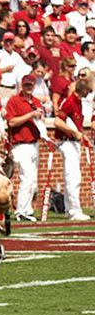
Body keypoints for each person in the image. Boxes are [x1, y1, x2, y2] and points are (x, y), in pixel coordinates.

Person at [5, 74, 46, 221]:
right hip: (20, 144)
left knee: (33, 180)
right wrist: (31, 115)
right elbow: (11, 122)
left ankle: (27, 210)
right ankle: (21, 211)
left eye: (31, 85)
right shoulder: (14, 101)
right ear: (22, 85)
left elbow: (40, 121)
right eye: (26, 85)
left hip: (34, 143)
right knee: (27, 177)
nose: (28, 87)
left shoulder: (36, 101)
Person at [53, 72, 92, 221]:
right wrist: (74, 132)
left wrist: (80, 134)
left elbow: (75, 124)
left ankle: (70, 209)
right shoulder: (70, 101)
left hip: (74, 142)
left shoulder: (78, 102)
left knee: (74, 176)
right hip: (68, 143)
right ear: (83, 90)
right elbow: (57, 122)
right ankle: (75, 211)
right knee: (73, 177)